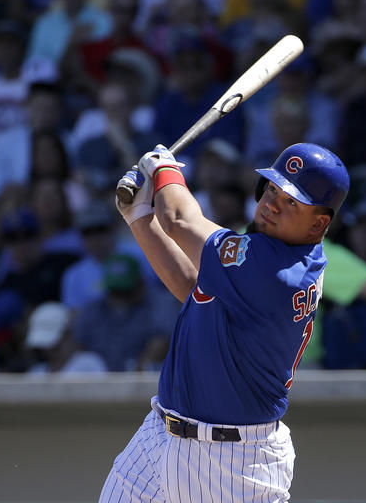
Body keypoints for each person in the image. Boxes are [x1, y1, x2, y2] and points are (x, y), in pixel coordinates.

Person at [98, 141, 349, 502]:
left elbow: (179, 219)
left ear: (319, 224)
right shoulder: (265, 256)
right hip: (159, 435)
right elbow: (192, 289)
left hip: (233, 464)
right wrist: (139, 218)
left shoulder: (280, 270)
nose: (272, 205)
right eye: (273, 190)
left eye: (292, 202)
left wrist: (163, 167)